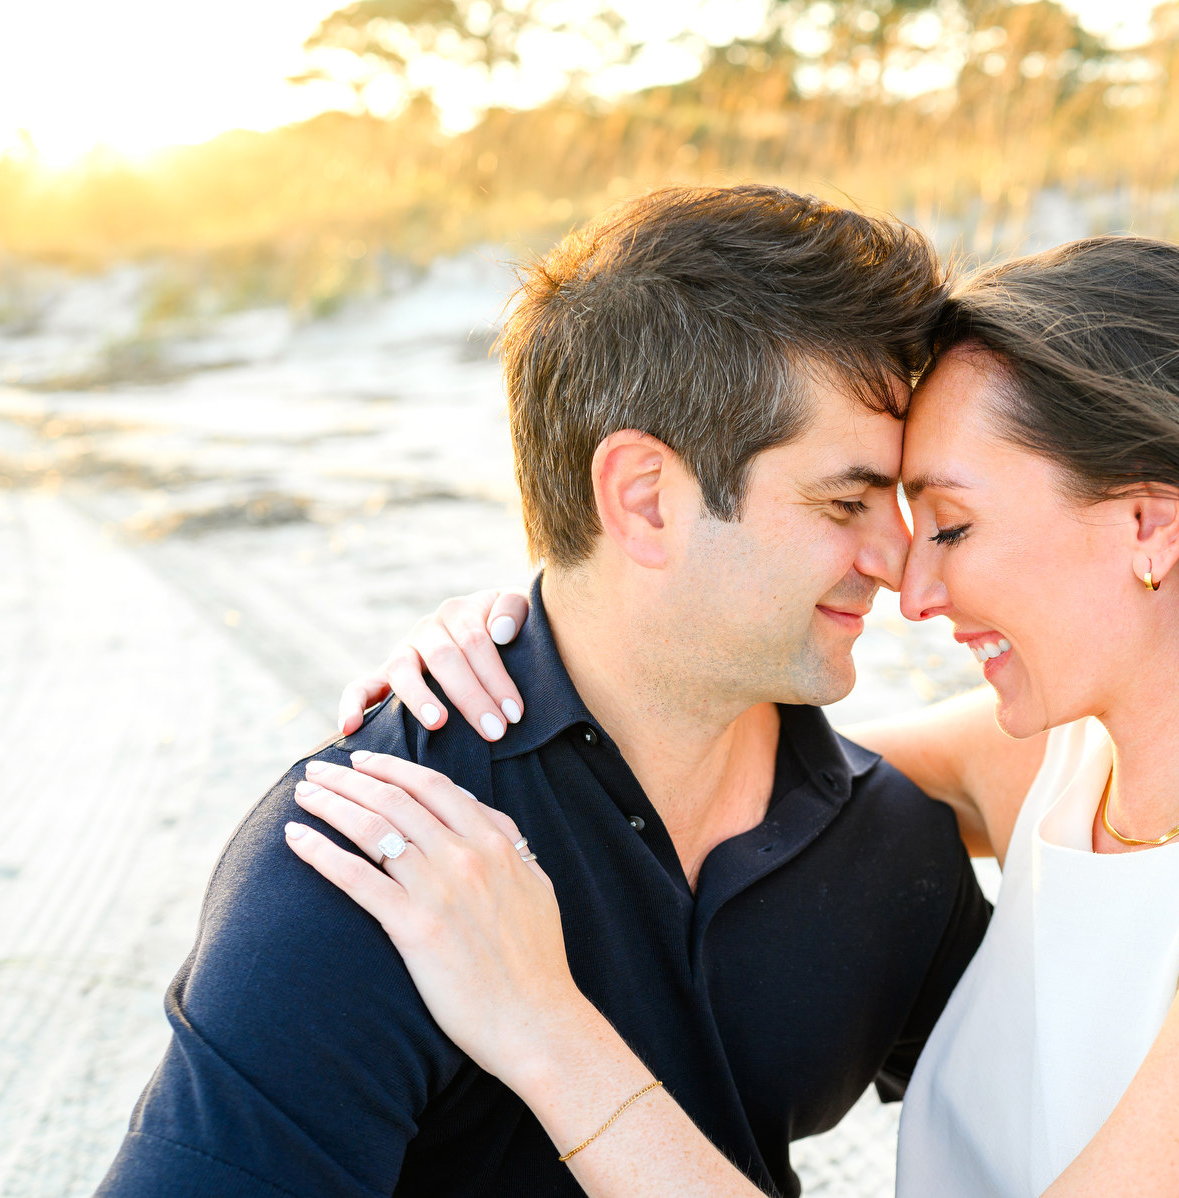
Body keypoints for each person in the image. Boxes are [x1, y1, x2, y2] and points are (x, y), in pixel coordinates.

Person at [309, 234, 1179, 1197]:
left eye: (952, 526)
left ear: (1148, 522)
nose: (911, 585)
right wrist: (539, 632)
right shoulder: (1066, 773)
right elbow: (681, 785)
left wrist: (540, 1026)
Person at [97, 185, 993, 1198]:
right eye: (847, 501)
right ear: (646, 499)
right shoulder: (386, 862)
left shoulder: (889, 847)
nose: (902, 564)